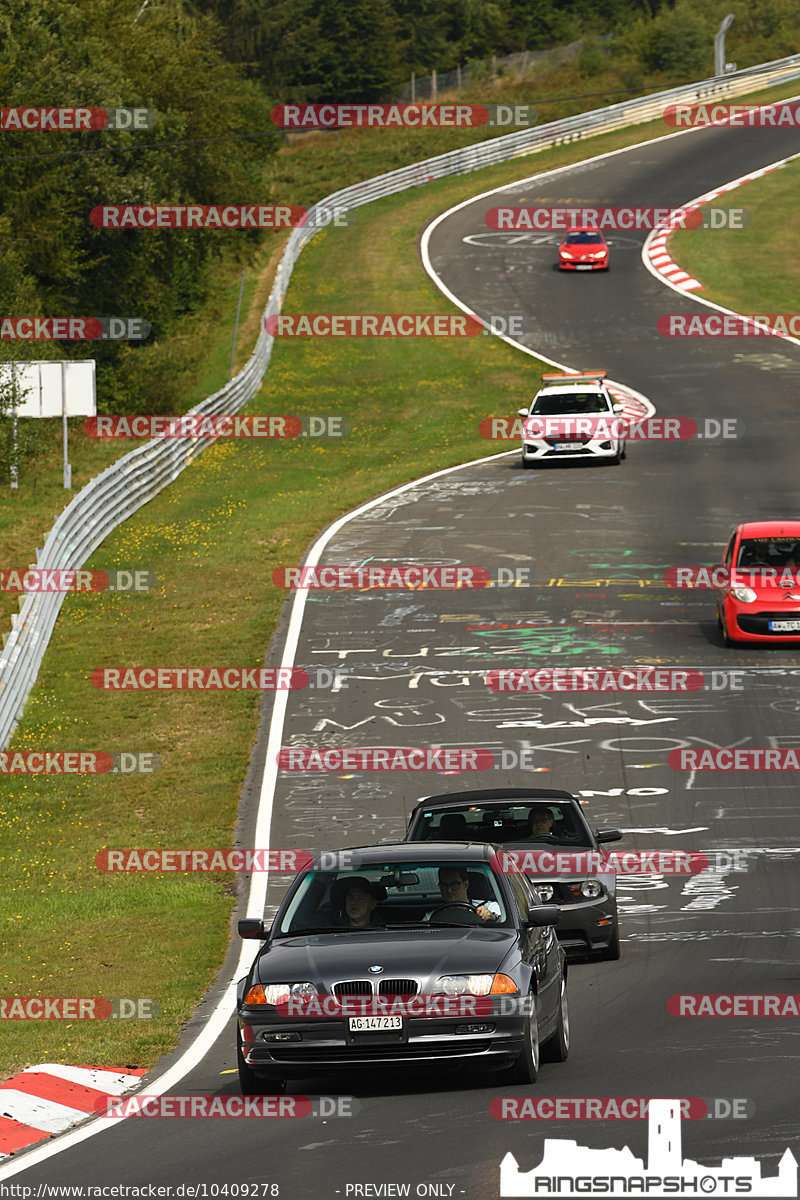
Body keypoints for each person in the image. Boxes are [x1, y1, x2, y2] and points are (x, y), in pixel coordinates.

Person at [427, 866, 501, 923]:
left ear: (466, 885)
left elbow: (507, 923)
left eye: (454, 884)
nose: (448, 890)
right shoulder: (432, 917)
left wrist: (493, 917)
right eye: (444, 885)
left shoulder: (490, 907)